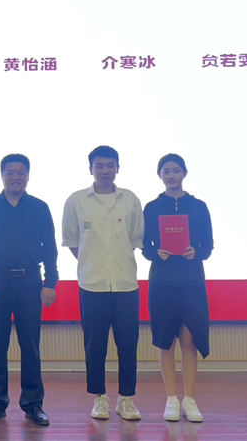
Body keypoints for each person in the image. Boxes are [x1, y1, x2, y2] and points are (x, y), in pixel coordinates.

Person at [0, 154, 58, 427]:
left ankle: (33, 404)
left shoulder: (40, 208)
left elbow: (50, 247)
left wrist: (51, 282)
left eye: (21, 172)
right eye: (10, 172)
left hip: (30, 281)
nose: (15, 177)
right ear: (2, 176)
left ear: (28, 176)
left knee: (30, 345)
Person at [61, 146, 144, 421]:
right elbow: (73, 242)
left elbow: (136, 238)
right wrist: (93, 261)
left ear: (118, 168)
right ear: (91, 169)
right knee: (95, 345)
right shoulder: (76, 201)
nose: (105, 170)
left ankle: (126, 399)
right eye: (100, 165)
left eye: (110, 165)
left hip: (125, 283)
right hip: (92, 284)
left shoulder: (130, 200)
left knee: (128, 344)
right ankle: (100, 397)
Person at [142, 154, 213, 423]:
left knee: (189, 340)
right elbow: (144, 245)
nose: (171, 175)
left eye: (176, 170)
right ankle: (171, 399)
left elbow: (208, 245)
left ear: (184, 173)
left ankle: (189, 400)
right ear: (159, 175)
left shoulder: (198, 206)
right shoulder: (151, 208)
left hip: (192, 281)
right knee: (166, 340)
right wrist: (154, 253)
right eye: (166, 171)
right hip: (162, 281)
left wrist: (197, 252)